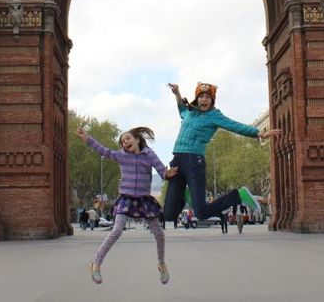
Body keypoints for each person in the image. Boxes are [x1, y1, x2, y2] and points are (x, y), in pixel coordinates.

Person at [162, 82, 280, 226]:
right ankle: (189, 195)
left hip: (193, 161)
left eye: (207, 97)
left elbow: (235, 125)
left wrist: (259, 133)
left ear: (212, 100)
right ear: (196, 98)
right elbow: (182, 109)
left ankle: (238, 195)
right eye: (201, 97)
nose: (204, 100)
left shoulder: (214, 115)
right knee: (168, 214)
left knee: (201, 213)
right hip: (177, 162)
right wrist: (177, 94)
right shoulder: (190, 112)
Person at [76, 125, 176, 285]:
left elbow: (161, 170)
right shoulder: (121, 156)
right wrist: (88, 139)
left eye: (128, 138)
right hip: (126, 199)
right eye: (122, 141)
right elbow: (104, 151)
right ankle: (96, 264)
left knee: (159, 233)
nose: (125, 142)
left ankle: (162, 264)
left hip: (144, 200)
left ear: (137, 139)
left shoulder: (149, 154)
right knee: (116, 230)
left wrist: (167, 174)